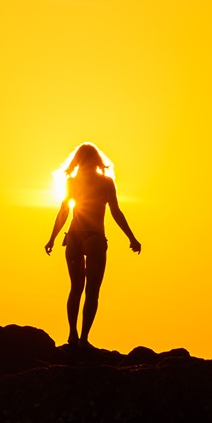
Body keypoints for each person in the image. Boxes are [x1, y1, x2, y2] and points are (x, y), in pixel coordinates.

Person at [43, 143, 141, 346]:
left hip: (74, 237)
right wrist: (131, 238)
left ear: (78, 161)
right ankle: (84, 339)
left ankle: (72, 335)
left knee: (75, 288)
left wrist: (52, 238)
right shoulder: (106, 182)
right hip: (95, 238)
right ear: (97, 160)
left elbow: (63, 211)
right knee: (92, 291)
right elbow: (116, 212)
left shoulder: (72, 182)